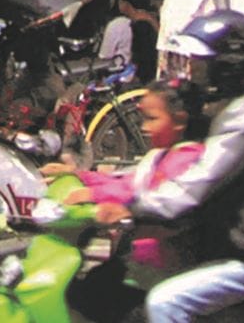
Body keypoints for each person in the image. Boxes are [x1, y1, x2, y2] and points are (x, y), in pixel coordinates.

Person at [93, 9, 244, 323]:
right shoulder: (220, 109)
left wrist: (133, 207)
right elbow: (168, 167)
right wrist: (94, 186)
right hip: (222, 245)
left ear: (227, 67)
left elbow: (198, 181)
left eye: (201, 62)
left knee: (166, 302)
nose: (193, 70)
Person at [70, 80, 203, 279]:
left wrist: (93, 194)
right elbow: (128, 181)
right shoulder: (163, 155)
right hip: (139, 256)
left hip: (160, 265)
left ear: (179, 121)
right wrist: (80, 176)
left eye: (152, 119)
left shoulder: (187, 159)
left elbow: (143, 193)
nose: (144, 127)